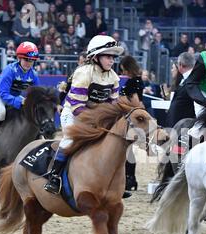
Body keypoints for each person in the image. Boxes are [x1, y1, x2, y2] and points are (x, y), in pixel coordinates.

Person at [44, 35, 124, 194]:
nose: (112, 60)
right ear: (96, 57)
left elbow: (112, 105)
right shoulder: (83, 73)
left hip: (96, 116)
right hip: (73, 114)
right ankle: (54, 177)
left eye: (113, 57)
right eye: (108, 56)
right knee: (69, 141)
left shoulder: (114, 77)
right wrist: (95, 121)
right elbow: (77, 107)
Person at [0, 41, 40, 152]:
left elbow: (36, 93)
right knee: (0, 112)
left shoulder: (33, 74)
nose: (29, 63)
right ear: (19, 58)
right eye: (26, 60)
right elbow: (4, 94)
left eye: (32, 60)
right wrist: (20, 102)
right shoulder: (9, 70)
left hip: (14, 97)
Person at [118, 55, 145, 194]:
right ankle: (130, 179)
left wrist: (120, 101)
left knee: (126, 150)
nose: (123, 73)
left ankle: (128, 179)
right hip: (133, 117)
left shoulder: (132, 82)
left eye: (123, 69)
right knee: (128, 150)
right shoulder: (137, 80)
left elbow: (135, 101)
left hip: (129, 117)